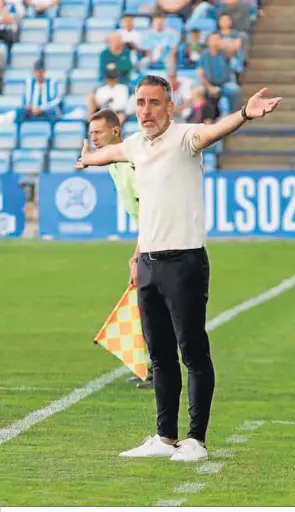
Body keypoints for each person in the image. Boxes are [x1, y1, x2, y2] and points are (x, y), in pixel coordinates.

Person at [77, 75, 281, 461]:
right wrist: (88, 158)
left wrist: (244, 114)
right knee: (160, 356)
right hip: (150, 264)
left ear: (169, 107)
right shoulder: (136, 144)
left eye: (154, 103)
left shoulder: (185, 137)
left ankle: (196, 440)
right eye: (140, 103)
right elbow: (112, 153)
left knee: (193, 352)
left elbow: (214, 131)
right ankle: (164, 436)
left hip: (184, 262)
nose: (146, 111)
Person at [80, 109, 154, 390]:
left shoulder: (129, 161)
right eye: (91, 134)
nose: (94, 138)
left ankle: (156, 371)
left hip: (158, 239)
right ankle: (149, 368)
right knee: (145, 306)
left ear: (115, 132)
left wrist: (137, 254)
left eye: (98, 133)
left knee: (153, 308)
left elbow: (149, 208)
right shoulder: (114, 162)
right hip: (150, 238)